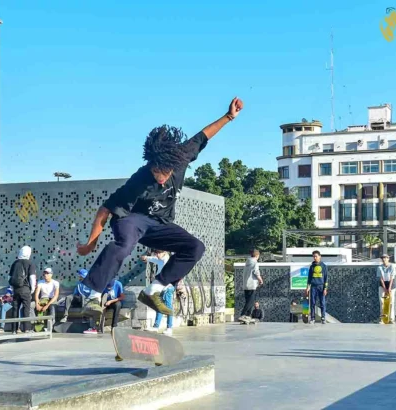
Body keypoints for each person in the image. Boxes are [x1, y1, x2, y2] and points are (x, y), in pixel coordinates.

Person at [76, 98, 244, 314]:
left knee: (195, 247)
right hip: (131, 220)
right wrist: (91, 243)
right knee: (123, 246)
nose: (160, 177)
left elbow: (202, 136)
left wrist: (229, 116)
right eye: (156, 171)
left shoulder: (181, 157)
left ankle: (153, 290)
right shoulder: (140, 179)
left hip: (159, 224)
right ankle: (92, 294)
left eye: (164, 172)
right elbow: (105, 209)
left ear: (173, 166)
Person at [60, 269, 103, 334]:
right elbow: (75, 293)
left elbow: (92, 295)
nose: (79, 277)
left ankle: (84, 316)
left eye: (80, 276)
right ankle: (65, 316)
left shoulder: (91, 284)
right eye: (79, 276)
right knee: (69, 297)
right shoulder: (79, 283)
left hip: (88, 300)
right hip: (79, 299)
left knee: (83, 297)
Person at [8, 245, 37, 333]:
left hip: (16, 289)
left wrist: (12, 288)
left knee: (15, 309)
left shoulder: (15, 263)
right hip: (25, 289)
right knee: (26, 309)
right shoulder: (30, 263)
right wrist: (32, 288)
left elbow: (9, 277)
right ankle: (26, 328)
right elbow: (32, 277)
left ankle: (14, 329)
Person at [240, 249, 263, 321]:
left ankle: (247, 315)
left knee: (248, 301)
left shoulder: (247, 262)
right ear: (257, 255)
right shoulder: (255, 262)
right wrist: (260, 280)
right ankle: (243, 314)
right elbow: (256, 272)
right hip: (252, 284)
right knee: (251, 301)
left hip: (246, 285)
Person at [306, 250, 328, 324]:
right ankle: (312, 318)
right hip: (313, 287)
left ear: (320, 256)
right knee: (312, 303)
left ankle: (323, 318)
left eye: (316, 256)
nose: (315, 258)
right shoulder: (312, 266)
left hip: (321, 287)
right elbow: (309, 278)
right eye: (313, 257)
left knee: (322, 303)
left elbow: (326, 278)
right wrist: (308, 287)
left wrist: (325, 288)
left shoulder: (324, 266)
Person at [377, 254, 396, 324]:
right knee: (382, 301)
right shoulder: (379, 267)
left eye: (385, 258)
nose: (384, 259)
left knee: (391, 302)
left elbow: (392, 278)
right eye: (382, 258)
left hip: (391, 284)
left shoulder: (392, 266)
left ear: (388, 259)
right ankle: (382, 319)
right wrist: (385, 288)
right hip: (382, 284)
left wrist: (389, 288)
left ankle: (391, 319)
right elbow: (381, 278)